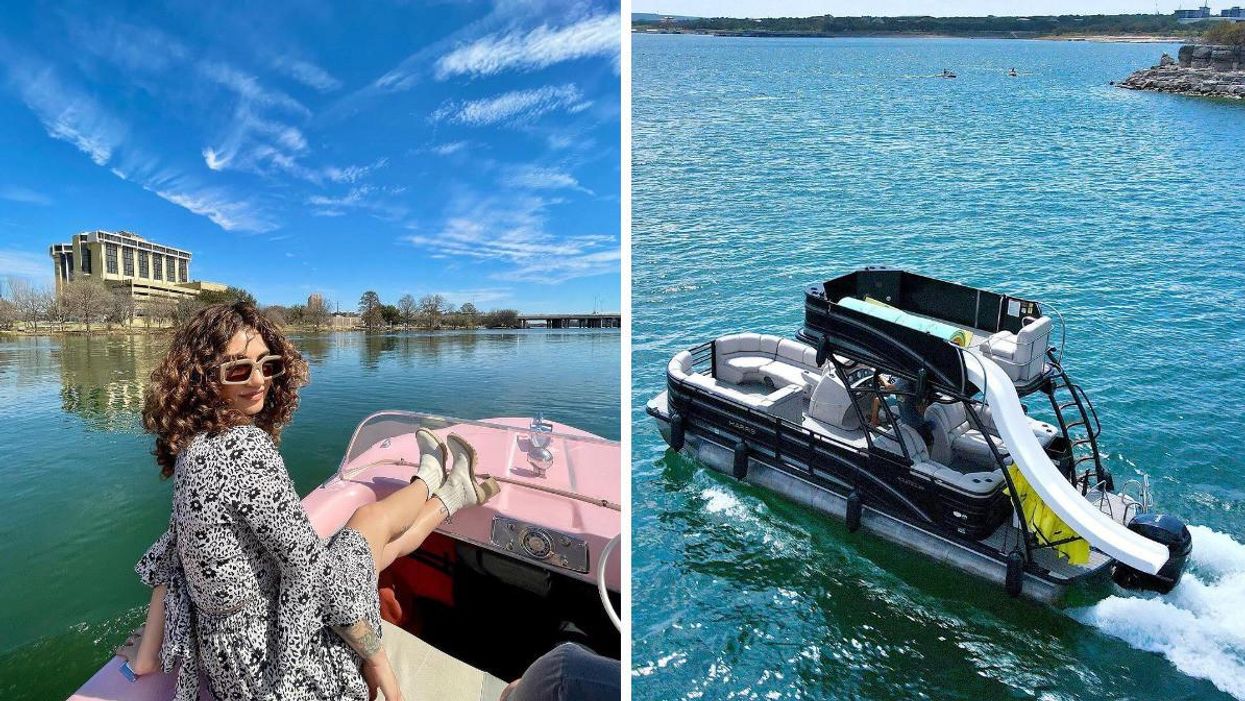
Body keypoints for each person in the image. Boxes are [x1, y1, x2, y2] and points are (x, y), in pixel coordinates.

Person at [115, 301, 498, 701]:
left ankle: (447, 488)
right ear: (205, 378)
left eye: (268, 364)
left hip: (230, 668)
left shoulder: (191, 447)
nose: (259, 380)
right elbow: (316, 577)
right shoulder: (244, 448)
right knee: (369, 521)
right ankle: (439, 484)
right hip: (281, 665)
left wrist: (146, 656)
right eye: (239, 369)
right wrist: (377, 656)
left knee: (368, 550)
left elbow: (170, 554)